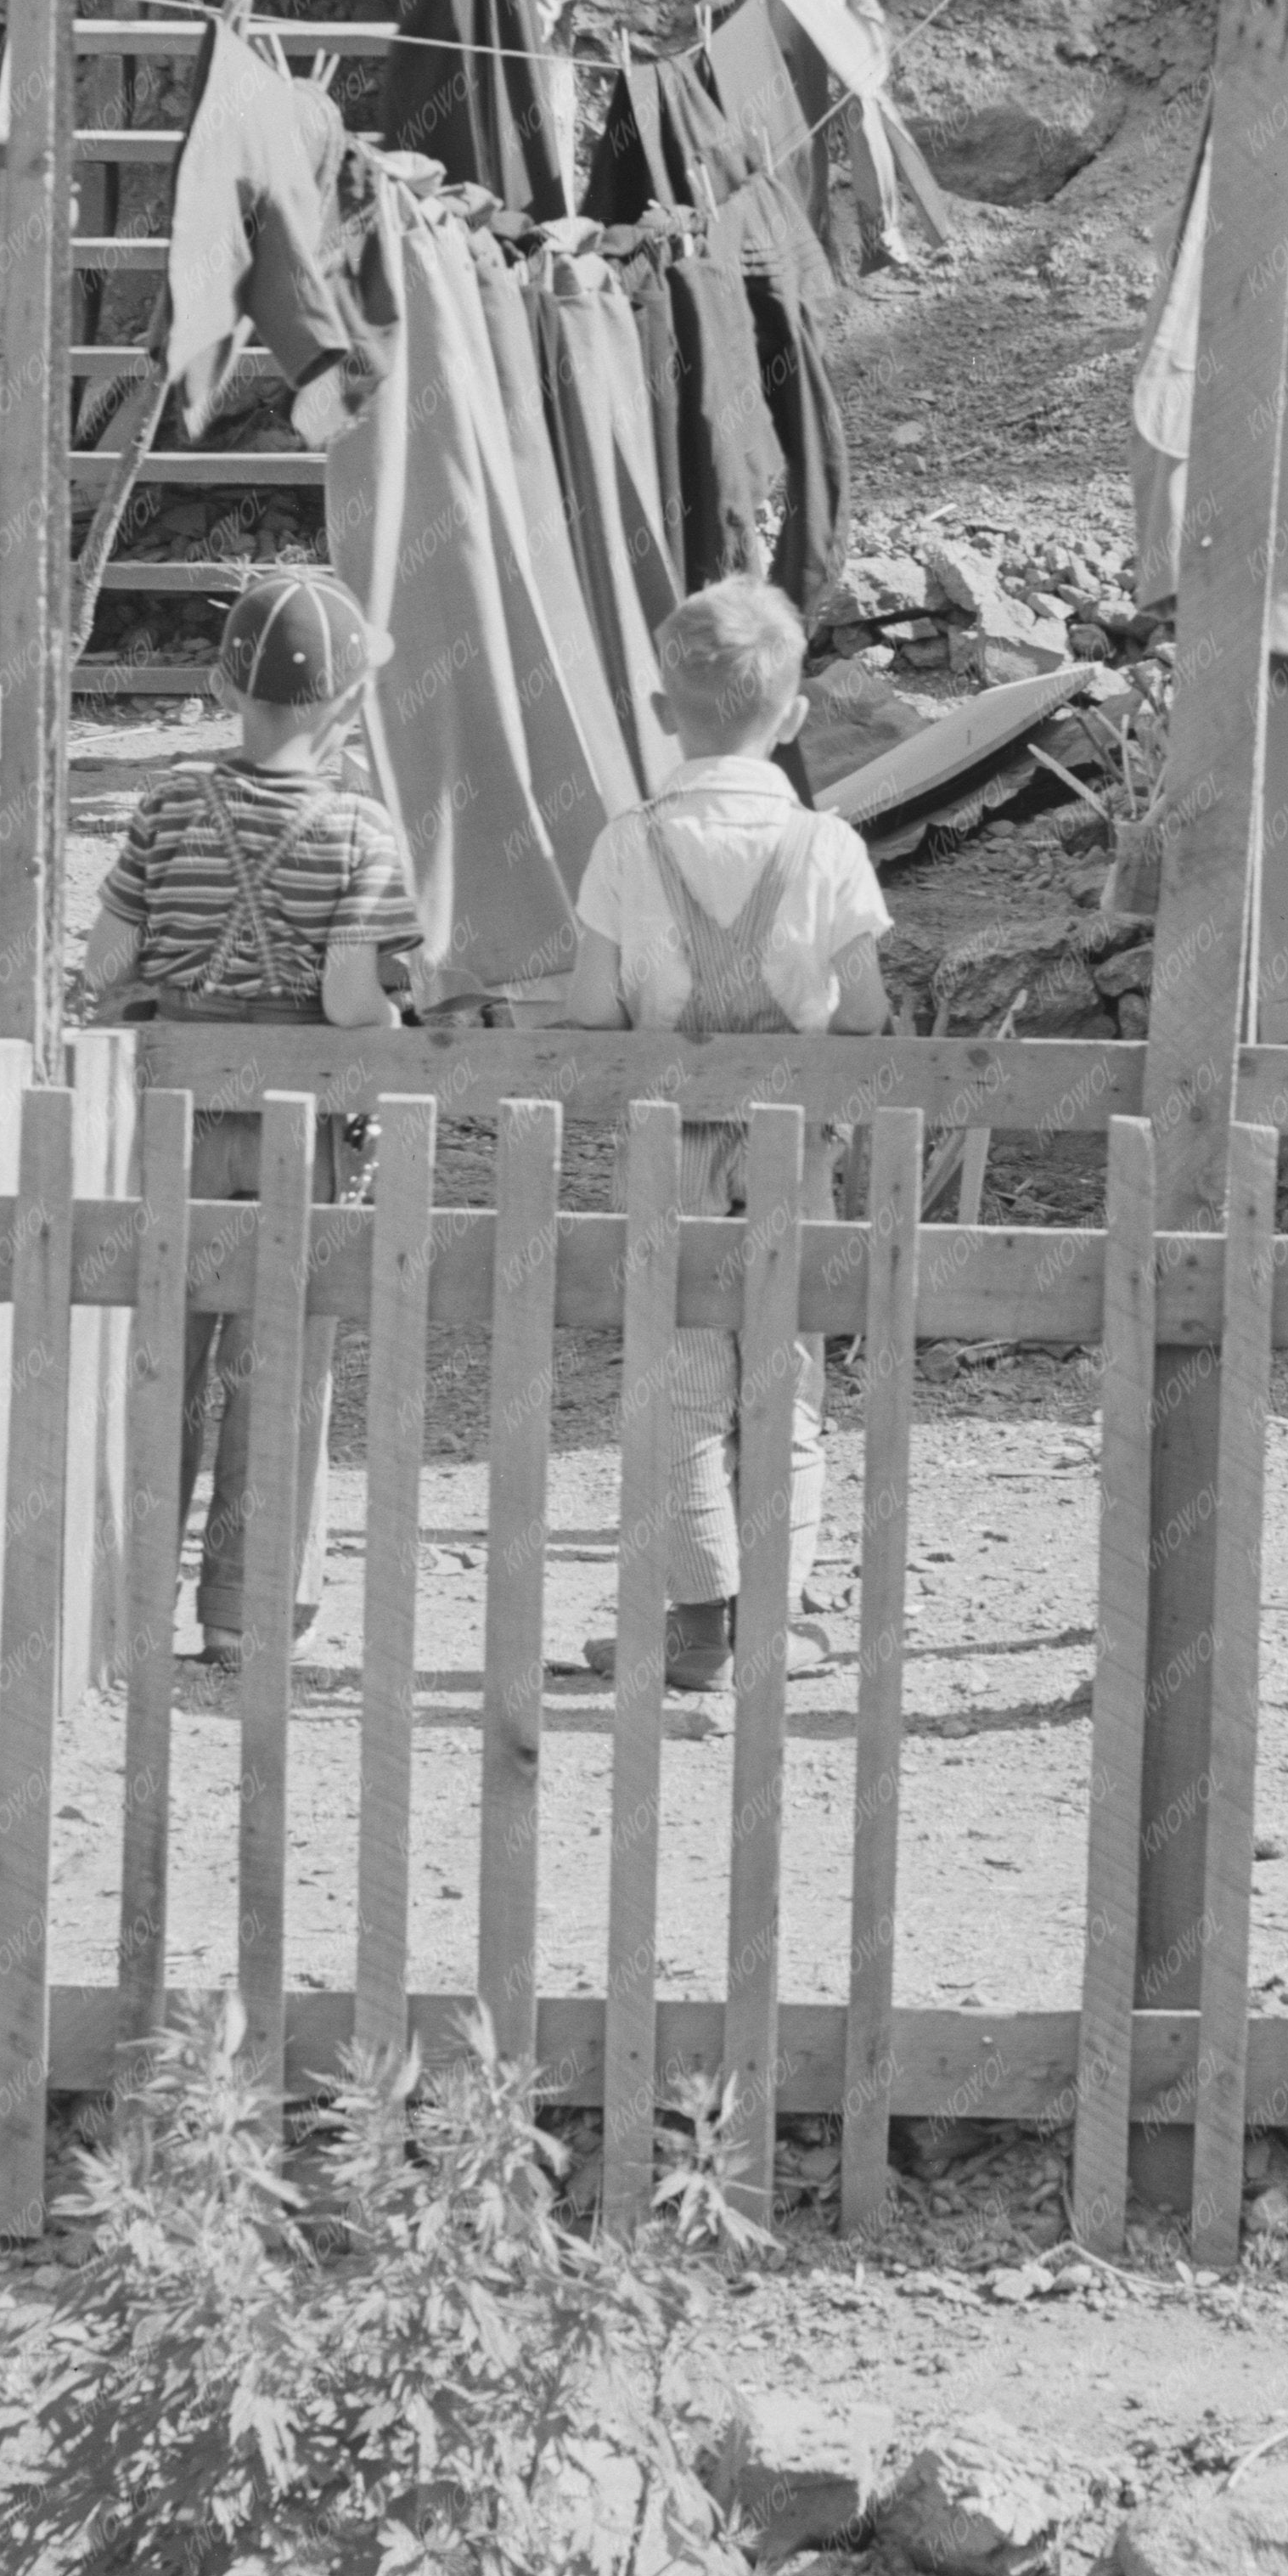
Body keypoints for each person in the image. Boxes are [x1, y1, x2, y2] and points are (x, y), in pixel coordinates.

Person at [553, 578, 890, 1731]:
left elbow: (593, 1010)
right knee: (783, 1382)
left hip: (666, 1145)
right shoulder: (826, 845)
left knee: (680, 1382)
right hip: (791, 1148)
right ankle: (770, 1618)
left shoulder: (624, 845)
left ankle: (692, 1621)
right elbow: (864, 1013)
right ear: (793, 718)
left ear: (661, 706)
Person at [79, 561, 417, 1667]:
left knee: (155, 1361)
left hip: (173, 1114)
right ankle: (247, 1611)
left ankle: (128, 1601)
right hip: (294, 1124)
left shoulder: (171, 801)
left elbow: (108, 959)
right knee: (280, 1368)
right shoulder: (362, 830)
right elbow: (349, 999)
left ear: (226, 689)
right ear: (351, 700)